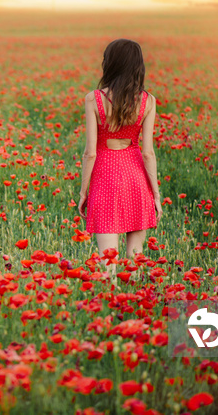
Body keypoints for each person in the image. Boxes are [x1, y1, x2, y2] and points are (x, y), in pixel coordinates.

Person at [78, 39, 163, 278]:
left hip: (105, 181)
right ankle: (135, 307)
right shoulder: (148, 101)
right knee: (135, 258)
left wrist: (84, 192)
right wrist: (155, 194)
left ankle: (110, 307)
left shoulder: (93, 99)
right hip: (136, 180)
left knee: (108, 263)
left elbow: (90, 152)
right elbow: (148, 153)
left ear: (110, 64)